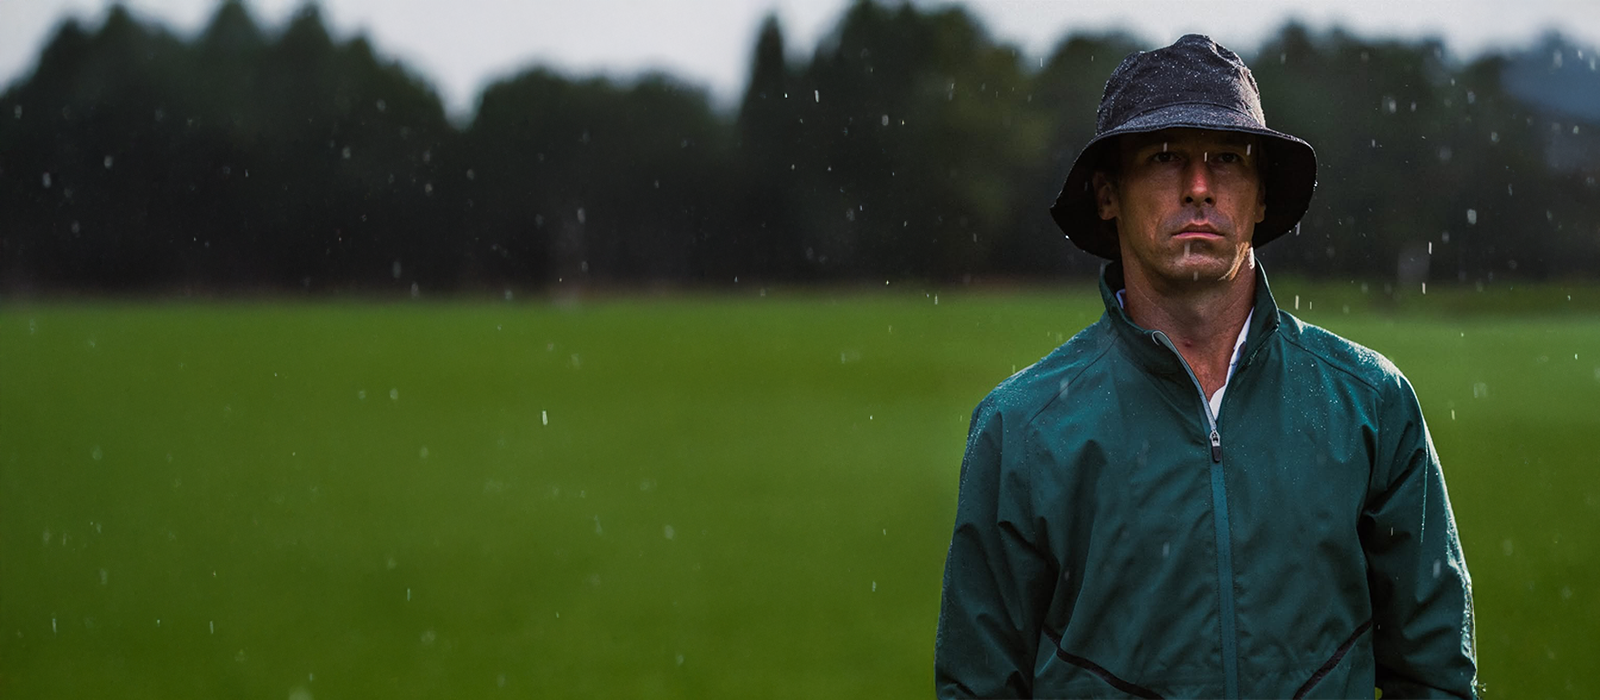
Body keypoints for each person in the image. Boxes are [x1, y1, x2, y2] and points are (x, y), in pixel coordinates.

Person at [934, 35, 1477, 698]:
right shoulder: (1019, 429)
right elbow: (979, 685)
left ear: (1262, 195)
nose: (1198, 187)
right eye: (1164, 158)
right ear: (1107, 194)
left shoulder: (1370, 402)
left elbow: (1434, 671)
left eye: (1226, 158)